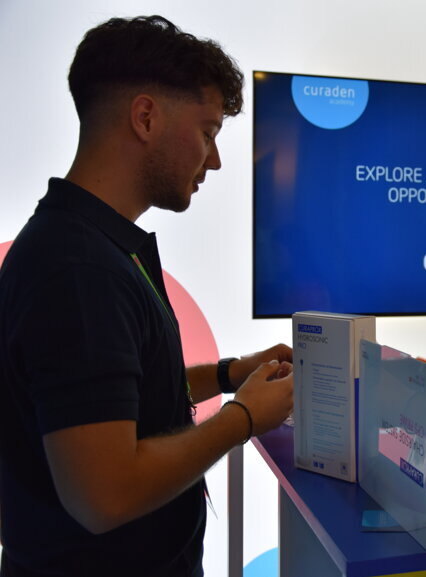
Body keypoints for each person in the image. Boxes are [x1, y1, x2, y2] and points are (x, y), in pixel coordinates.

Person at [0, 16, 294, 577]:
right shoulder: (76, 269)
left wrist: (232, 372)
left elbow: (114, 403)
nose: (215, 160)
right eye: (208, 132)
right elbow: (105, 493)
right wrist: (242, 419)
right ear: (145, 117)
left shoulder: (93, 246)